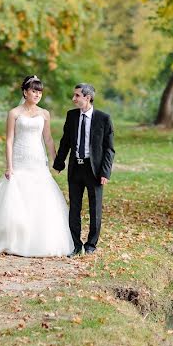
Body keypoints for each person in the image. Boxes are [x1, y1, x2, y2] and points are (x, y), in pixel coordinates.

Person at [0, 75, 73, 257]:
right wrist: (9, 166)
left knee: (40, 196)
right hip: (20, 158)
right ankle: (12, 239)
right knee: (15, 197)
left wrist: (56, 160)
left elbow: (48, 139)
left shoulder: (44, 114)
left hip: (38, 160)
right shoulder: (14, 113)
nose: (37, 94)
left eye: (39, 91)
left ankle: (37, 239)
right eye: (34, 90)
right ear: (25, 92)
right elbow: (9, 140)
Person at [53, 83, 115, 255]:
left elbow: (109, 149)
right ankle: (76, 244)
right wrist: (59, 163)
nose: (73, 99)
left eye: (77, 96)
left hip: (94, 170)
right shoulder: (71, 116)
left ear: (87, 98)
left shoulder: (104, 119)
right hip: (75, 168)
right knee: (74, 207)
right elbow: (65, 141)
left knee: (95, 209)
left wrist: (105, 172)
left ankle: (91, 245)